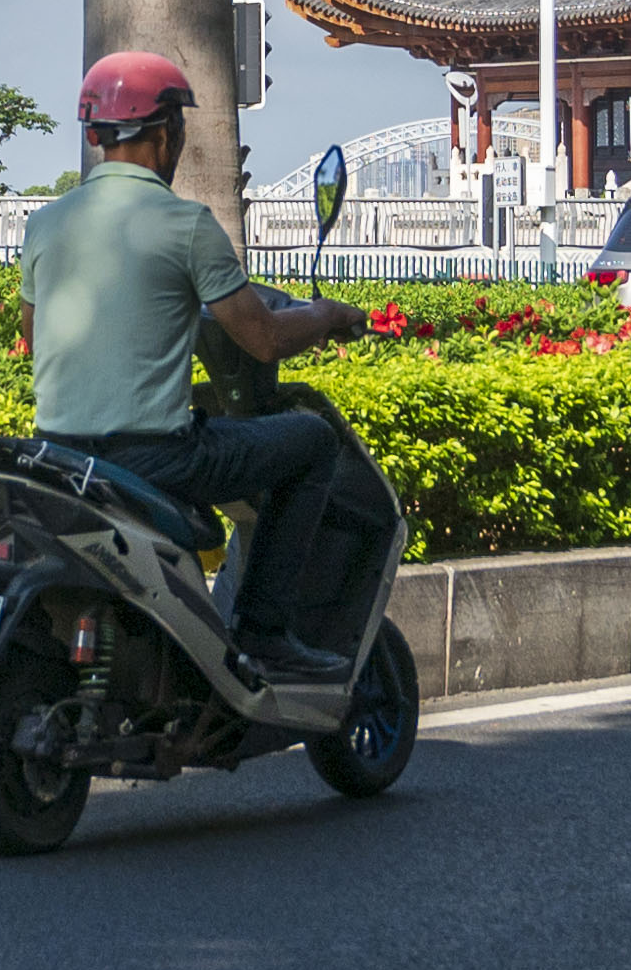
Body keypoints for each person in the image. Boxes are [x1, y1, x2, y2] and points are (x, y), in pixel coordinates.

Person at [21, 51, 373, 684]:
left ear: (96, 136)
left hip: (58, 456)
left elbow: (32, 335)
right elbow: (262, 339)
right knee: (313, 443)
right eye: (177, 125)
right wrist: (324, 317)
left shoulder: (45, 225)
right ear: (164, 132)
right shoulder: (186, 226)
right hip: (153, 459)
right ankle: (265, 635)